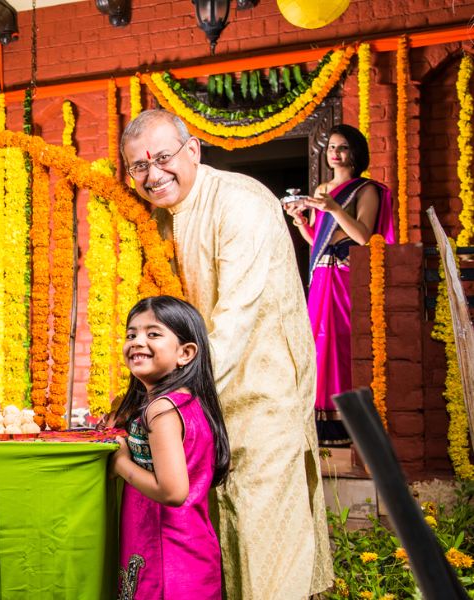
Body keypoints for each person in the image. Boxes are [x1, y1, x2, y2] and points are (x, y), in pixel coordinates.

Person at [120, 109, 333, 599]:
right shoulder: (162, 217)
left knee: (262, 538)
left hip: (260, 396)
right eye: (138, 166)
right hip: (201, 399)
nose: (153, 175)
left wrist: (167, 401)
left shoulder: (240, 203)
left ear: (193, 150)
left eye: (163, 158)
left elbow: (236, 318)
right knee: (215, 534)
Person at [108, 296, 230, 599]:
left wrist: (121, 463)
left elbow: (173, 492)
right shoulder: (185, 402)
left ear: (185, 353)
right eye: (131, 334)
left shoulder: (162, 410)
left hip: (167, 557)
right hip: (187, 550)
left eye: (153, 334)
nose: (137, 342)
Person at [284, 124, 395, 446]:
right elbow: (318, 238)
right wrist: (302, 220)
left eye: (343, 147)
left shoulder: (365, 190)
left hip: (345, 274)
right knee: (318, 341)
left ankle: (348, 421)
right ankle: (321, 421)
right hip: (321, 273)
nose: (336, 152)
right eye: (332, 146)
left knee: (341, 340)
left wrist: (332, 208)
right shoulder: (321, 190)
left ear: (355, 152)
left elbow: (362, 236)